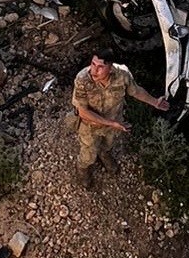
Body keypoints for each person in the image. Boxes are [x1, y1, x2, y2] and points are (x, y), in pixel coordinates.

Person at [71, 54, 168, 188]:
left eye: (100, 67)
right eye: (93, 64)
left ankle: (104, 154)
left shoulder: (122, 74)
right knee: (88, 154)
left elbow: (136, 91)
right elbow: (83, 112)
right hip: (90, 126)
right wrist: (111, 123)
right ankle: (83, 169)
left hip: (114, 122)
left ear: (110, 68)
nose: (94, 70)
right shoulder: (82, 79)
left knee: (108, 144)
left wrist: (155, 102)